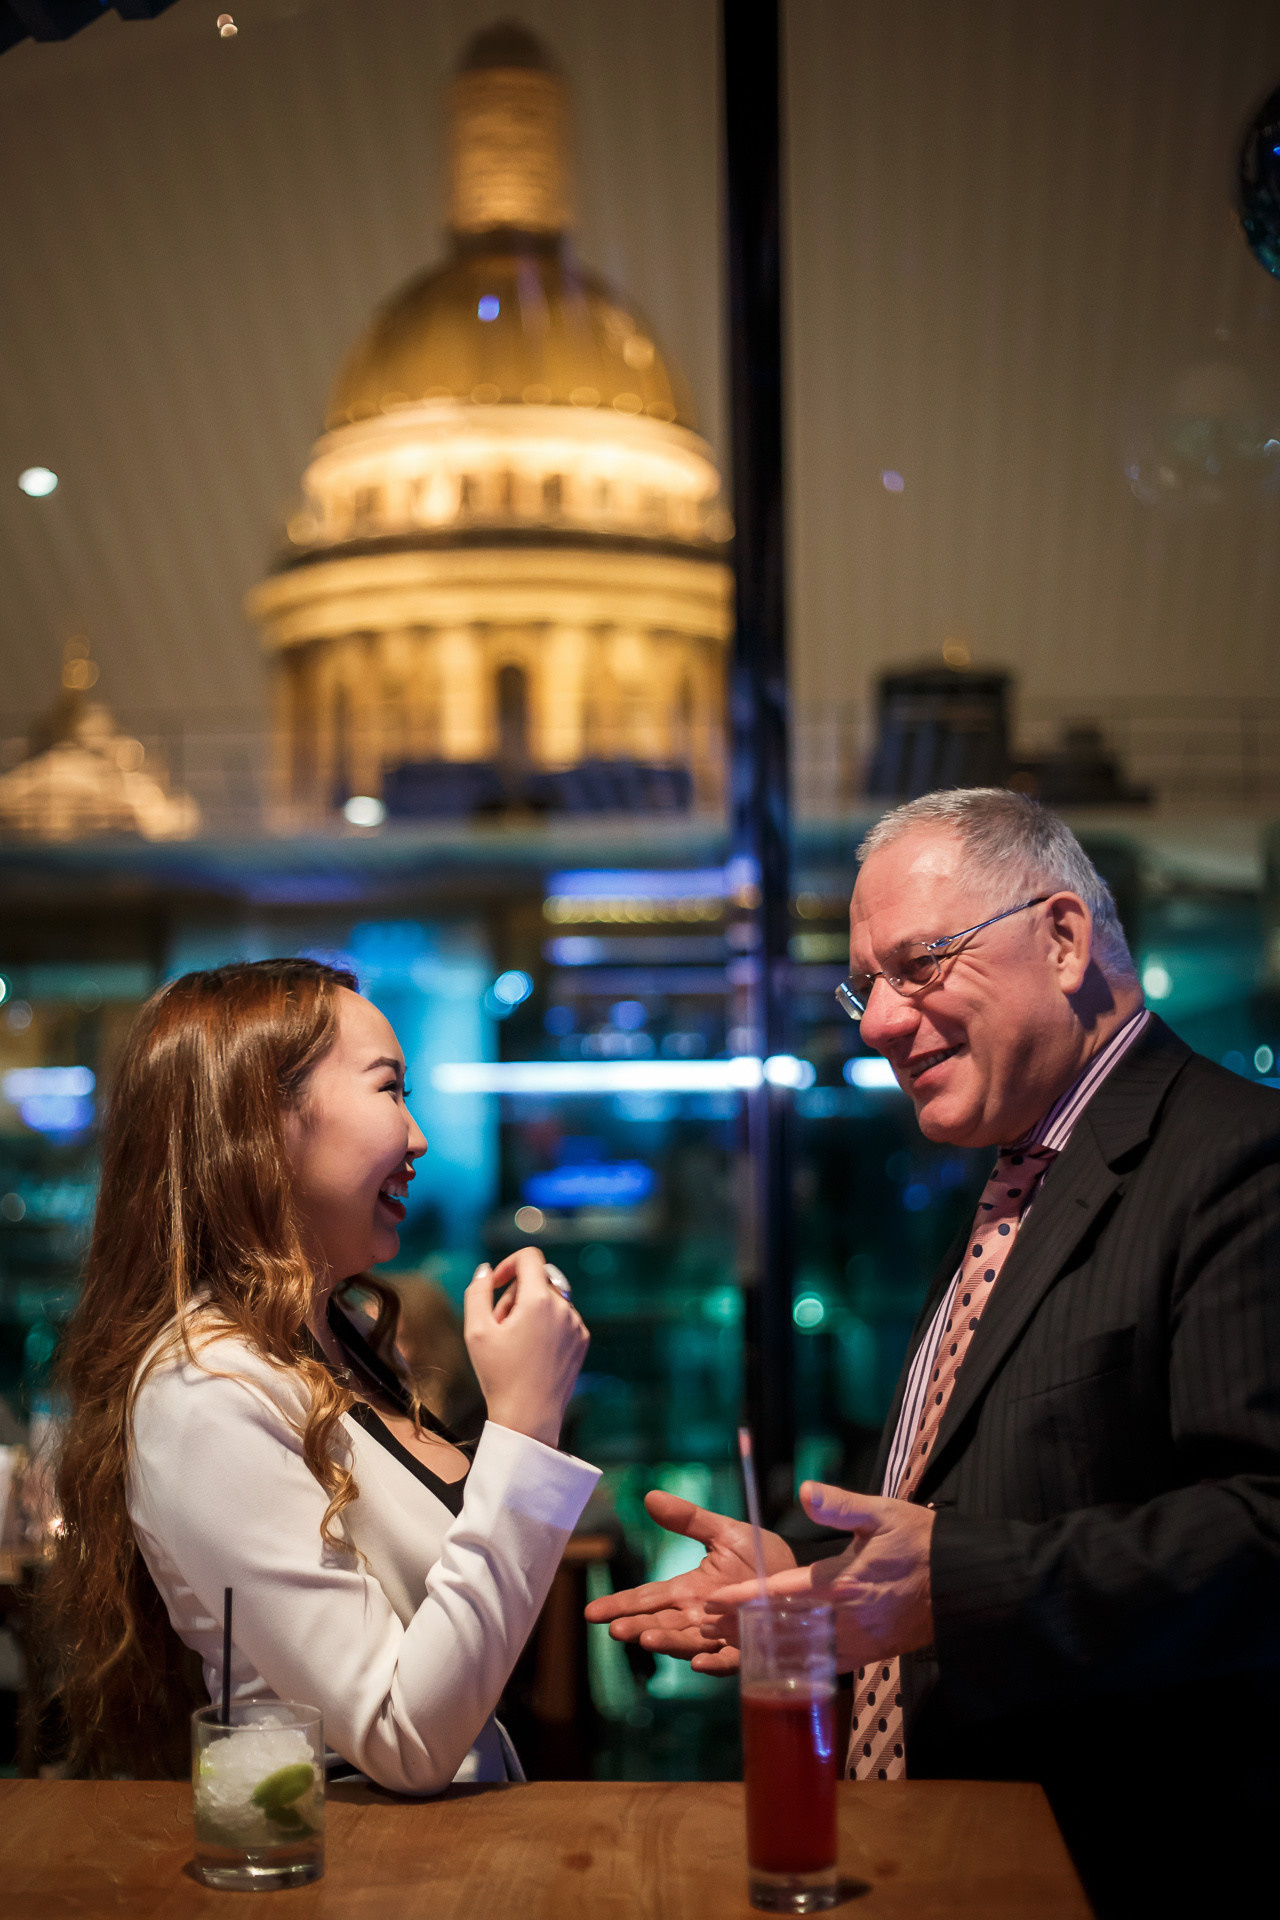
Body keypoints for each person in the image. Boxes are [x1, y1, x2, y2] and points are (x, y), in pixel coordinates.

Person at [587, 789, 1280, 1915]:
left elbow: (1264, 1528)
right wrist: (807, 1574)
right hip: (941, 1851)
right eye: (866, 984)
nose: (872, 1023)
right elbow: (986, 1482)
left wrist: (943, 1586)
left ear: (1060, 939)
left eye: (919, 965)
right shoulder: (1018, 1173)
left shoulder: (1238, 1163)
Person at [50, 957, 597, 1789]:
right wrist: (525, 1424)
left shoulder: (323, 1340)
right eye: (389, 1090)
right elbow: (401, 1737)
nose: (417, 1139)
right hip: (345, 1870)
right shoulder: (204, 1389)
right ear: (264, 1121)